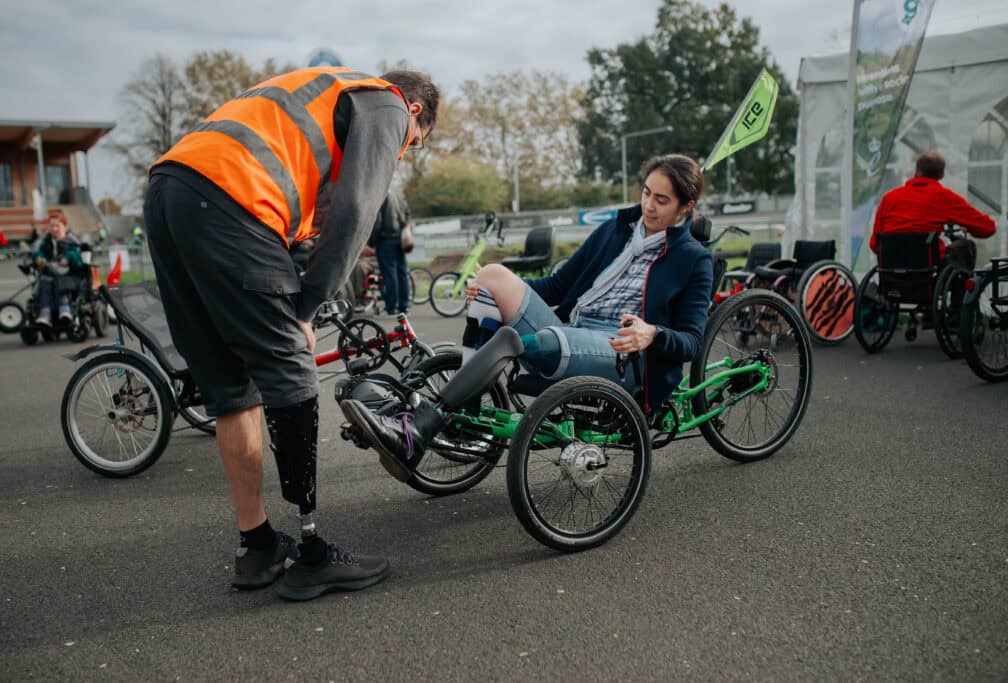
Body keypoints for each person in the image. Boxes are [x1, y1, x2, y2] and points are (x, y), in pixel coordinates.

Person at [143, 66, 439, 601]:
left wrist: (299, 283)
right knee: (291, 373)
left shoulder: (322, 93)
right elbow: (356, 211)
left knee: (231, 387)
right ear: (415, 113)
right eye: (411, 146)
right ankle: (310, 554)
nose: (401, 153)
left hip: (170, 190)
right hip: (231, 197)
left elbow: (311, 217)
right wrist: (305, 308)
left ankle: (256, 546)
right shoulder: (388, 102)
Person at [342, 154, 714, 482]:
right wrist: (493, 292)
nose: (649, 205)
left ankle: (421, 427)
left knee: (527, 341)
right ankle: (465, 415)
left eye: (661, 200)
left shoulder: (693, 259)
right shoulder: (615, 231)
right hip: (575, 330)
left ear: (685, 207)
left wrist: (652, 334)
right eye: (646, 192)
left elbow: (692, 341)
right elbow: (556, 286)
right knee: (491, 275)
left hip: (623, 351)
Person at [870, 150, 996, 267]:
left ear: (916, 171)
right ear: (941, 175)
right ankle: (961, 290)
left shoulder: (889, 198)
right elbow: (987, 228)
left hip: (891, 267)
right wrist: (968, 227)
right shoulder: (944, 197)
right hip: (926, 267)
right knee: (966, 247)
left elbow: (874, 244)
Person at [33, 212, 86, 326]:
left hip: (70, 276)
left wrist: (68, 258)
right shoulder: (46, 242)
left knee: (60, 282)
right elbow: (39, 252)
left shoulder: (72, 242)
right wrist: (38, 258)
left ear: (64, 226)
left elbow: (77, 257)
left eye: (57, 226)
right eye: (51, 226)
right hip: (51, 274)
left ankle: (65, 309)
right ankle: (45, 314)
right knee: (45, 282)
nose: (54, 229)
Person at [371, 190, 412, 317]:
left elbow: (377, 222)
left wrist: (371, 241)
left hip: (385, 239)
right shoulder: (398, 193)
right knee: (402, 273)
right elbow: (407, 214)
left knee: (389, 275)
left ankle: (390, 307)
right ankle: (403, 306)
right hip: (400, 239)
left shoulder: (381, 194)